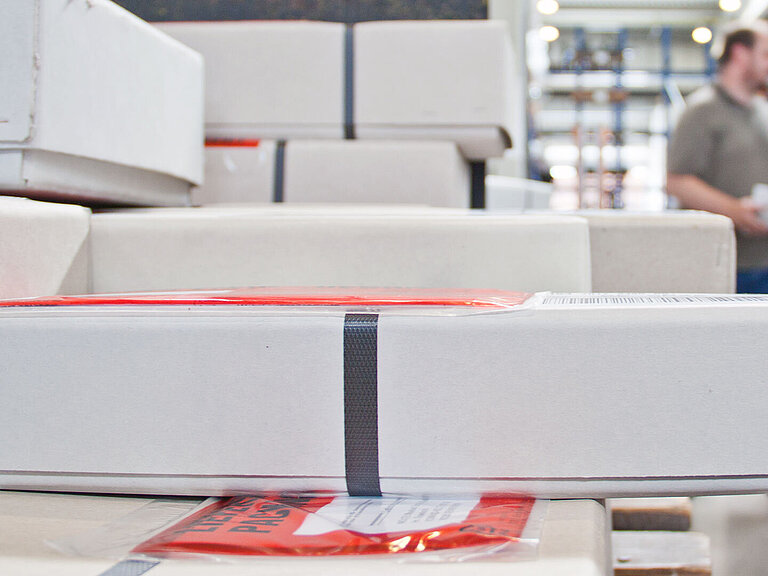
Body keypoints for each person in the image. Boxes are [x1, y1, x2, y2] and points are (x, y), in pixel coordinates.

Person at [667, 21, 768, 292]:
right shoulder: (702, 110)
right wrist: (735, 211)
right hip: (725, 266)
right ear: (740, 54)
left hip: (763, 260)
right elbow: (677, 181)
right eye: (766, 54)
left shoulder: (762, 110)